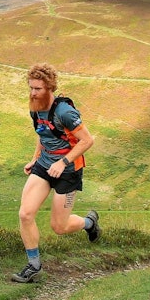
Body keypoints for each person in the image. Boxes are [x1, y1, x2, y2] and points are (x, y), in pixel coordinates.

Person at [12, 63, 98, 283]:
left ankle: (89, 223)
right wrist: (35, 158)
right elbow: (43, 132)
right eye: (31, 88)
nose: (33, 93)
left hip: (68, 170)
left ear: (49, 88)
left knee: (59, 227)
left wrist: (63, 161)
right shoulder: (34, 106)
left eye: (38, 89)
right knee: (25, 214)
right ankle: (34, 265)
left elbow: (87, 140)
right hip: (44, 165)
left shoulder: (65, 112)